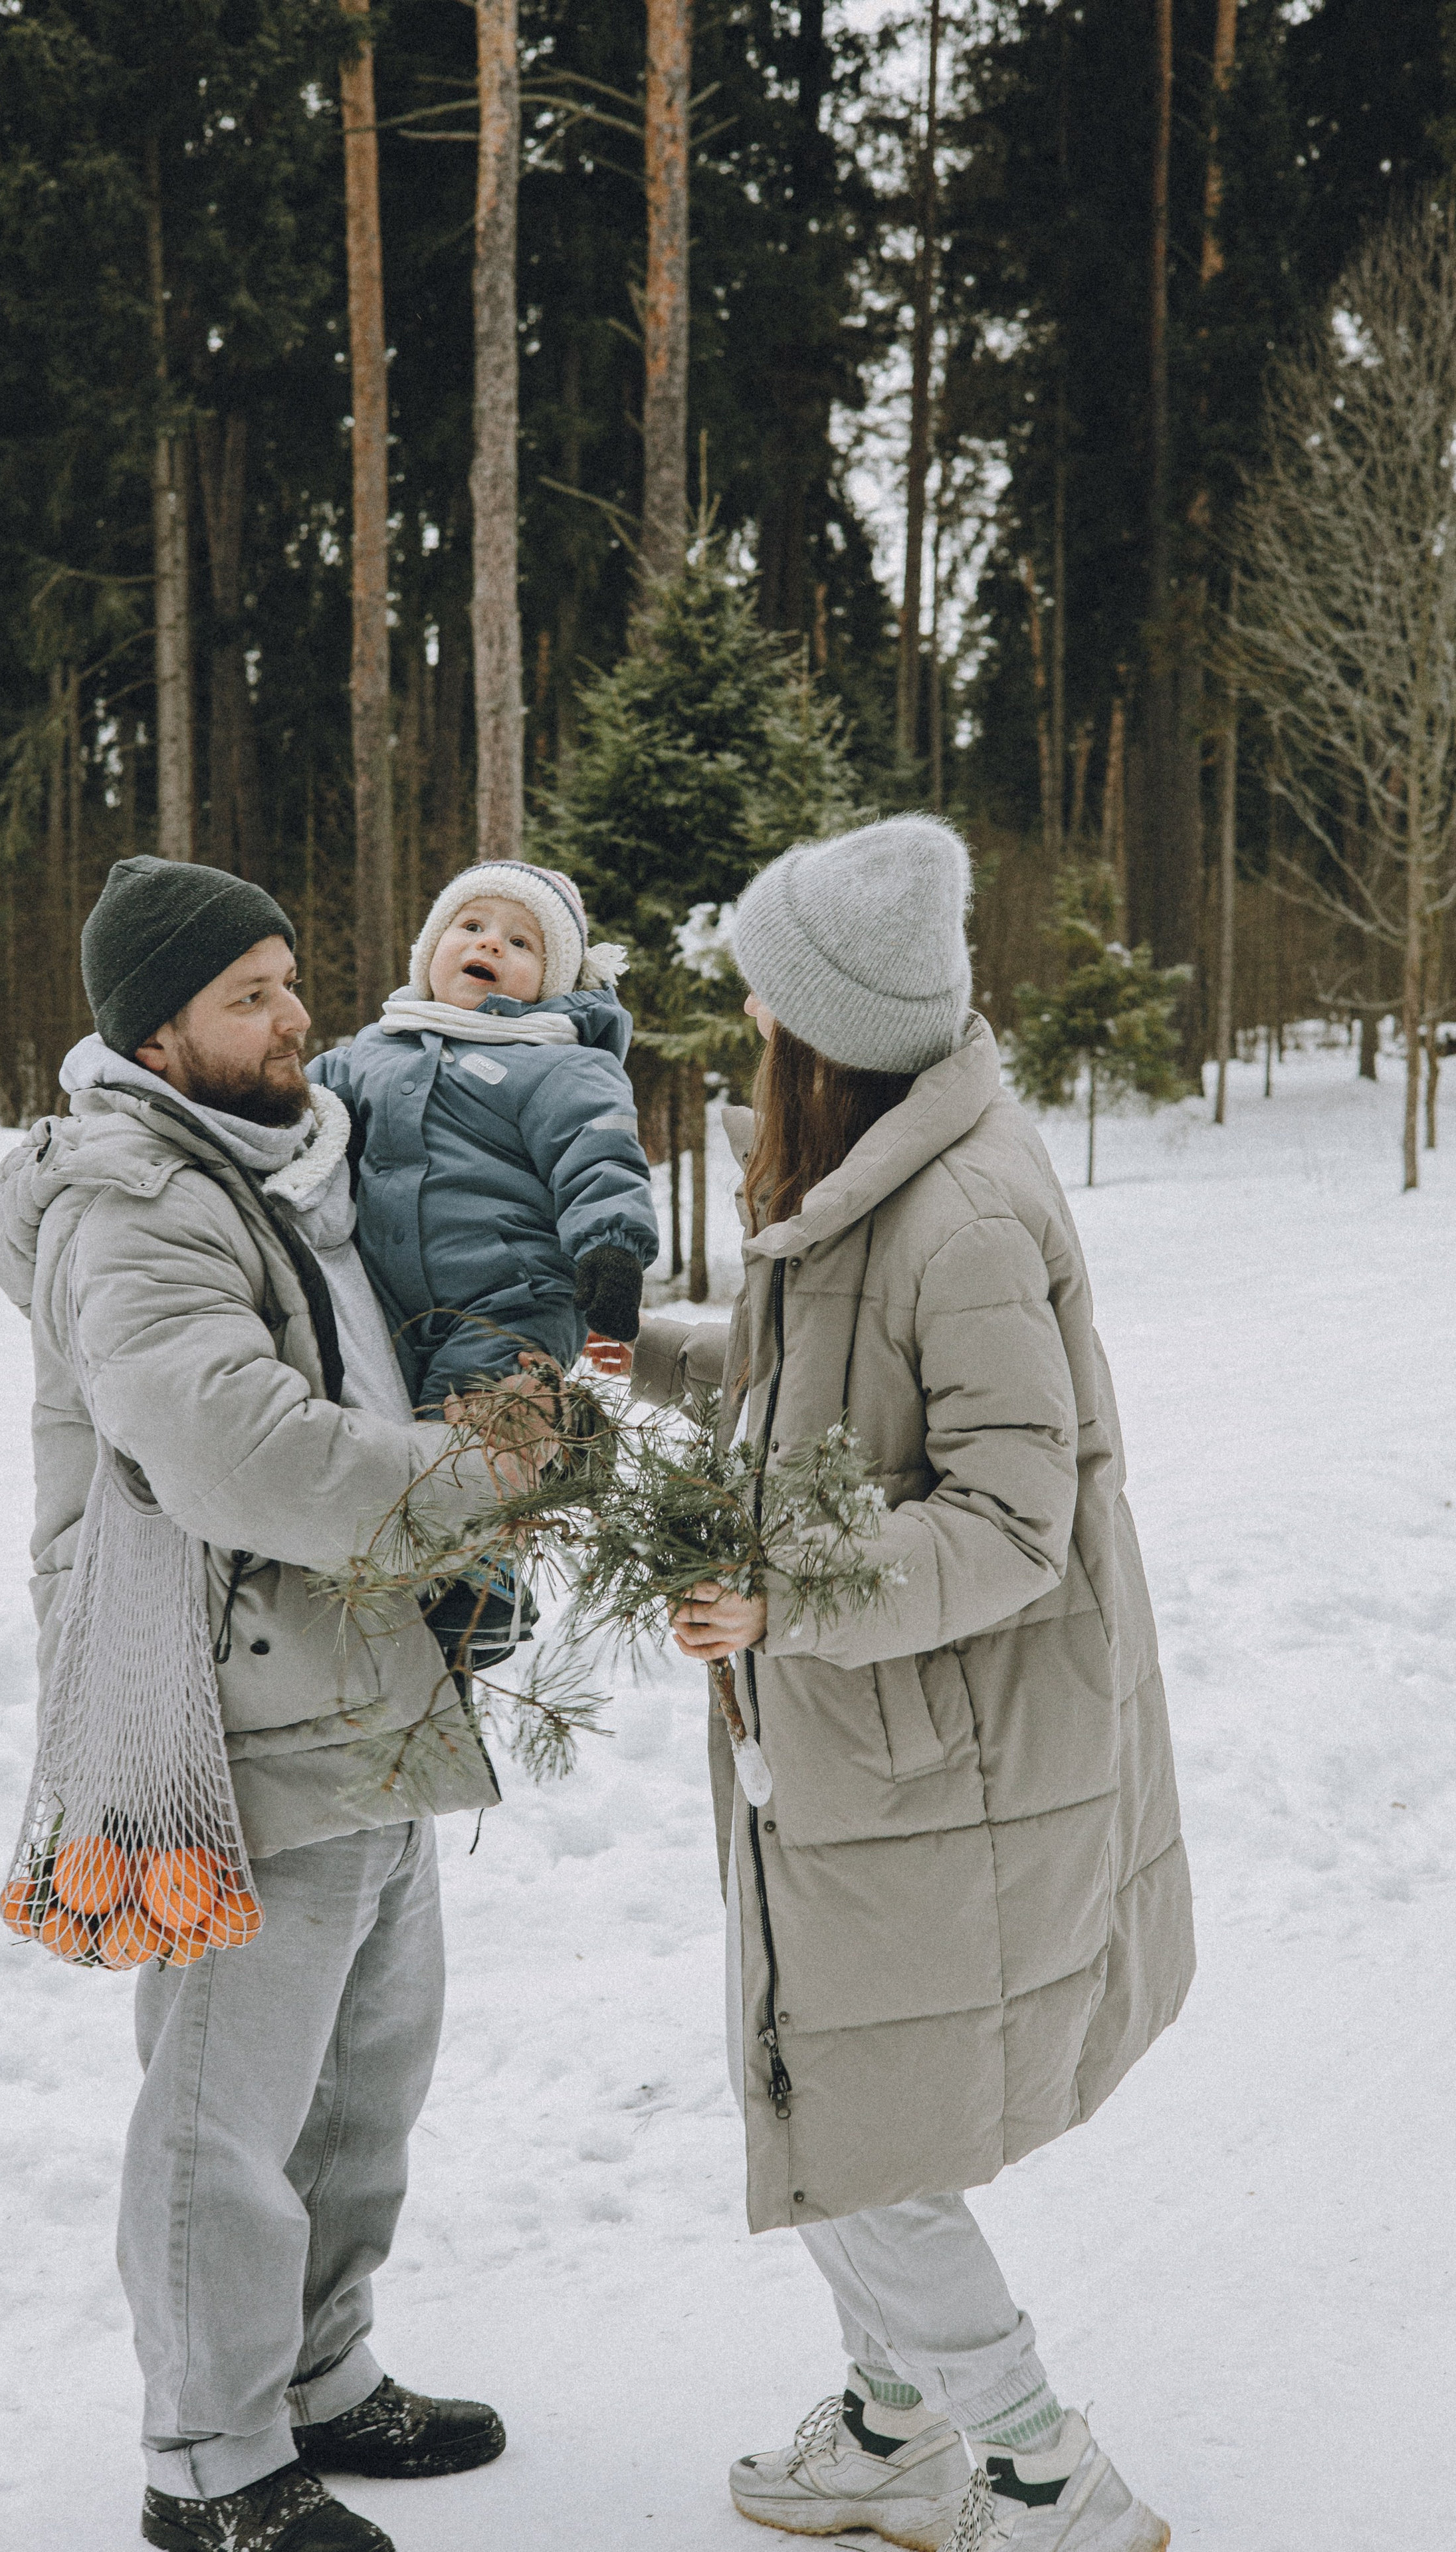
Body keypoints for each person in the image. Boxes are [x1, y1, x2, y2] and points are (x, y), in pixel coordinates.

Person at [600, 815, 1195, 2552]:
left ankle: (1035, 2467)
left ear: (830, 1035)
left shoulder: (960, 1219)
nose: (751, 1045)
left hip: (943, 1758)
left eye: (770, 1017)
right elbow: (820, 1390)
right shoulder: (886, 1186)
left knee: (845, 2126)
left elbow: (1017, 1521)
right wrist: (654, 1352)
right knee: (831, 2086)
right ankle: (890, 2422)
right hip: (873, 1750)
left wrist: (784, 1596)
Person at [0, 855, 546, 2552]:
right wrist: (475, 1478)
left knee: (364, 2082)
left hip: (363, 1685)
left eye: (292, 978)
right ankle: (209, 2458)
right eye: (247, 993)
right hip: (226, 1721)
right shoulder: (132, 1204)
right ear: (154, 1033)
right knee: (227, 2110)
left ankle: (318, 2374)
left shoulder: (293, 1167)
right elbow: (238, 1453)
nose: (294, 1013)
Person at [310, 860, 659, 1416]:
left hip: (512, 1307)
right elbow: (298, 1106)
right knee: (376, 1450)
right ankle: (561, 1447)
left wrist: (612, 1245)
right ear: (430, 950)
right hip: (383, 1306)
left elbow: (599, 1156)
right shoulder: (374, 1050)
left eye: (520, 941)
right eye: (472, 927)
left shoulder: (558, 1065)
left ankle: (532, 1438)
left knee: (464, 1453)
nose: (492, 944)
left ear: (551, 979)